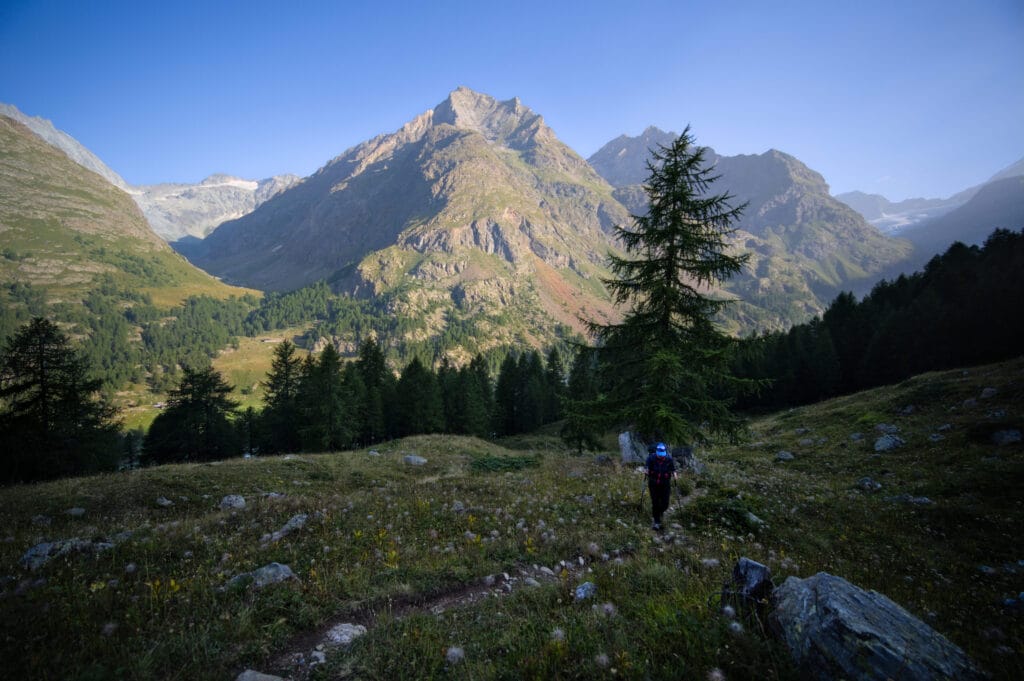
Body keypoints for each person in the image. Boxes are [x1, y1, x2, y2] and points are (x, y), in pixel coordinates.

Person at [645, 442, 677, 530]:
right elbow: (647, 467)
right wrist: (646, 470)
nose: (661, 456)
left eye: (662, 455)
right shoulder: (651, 458)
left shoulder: (669, 459)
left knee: (665, 503)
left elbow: (673, 469)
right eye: (659, 455)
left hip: (665, 483)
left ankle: (660, 512)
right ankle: (657, 522)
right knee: (655, 502)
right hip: (653, 483)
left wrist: (675, 474)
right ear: (656, 452)